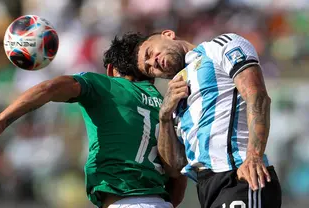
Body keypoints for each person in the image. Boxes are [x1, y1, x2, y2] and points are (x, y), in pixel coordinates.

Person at [0, 34, 187, 208]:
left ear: (111, 69)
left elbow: (49, 88)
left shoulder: (105, 86)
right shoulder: (164, 103)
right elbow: (178, 176)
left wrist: (0, 122)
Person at [115, 31, 282, 208]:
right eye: (149, 69)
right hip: (208, 187)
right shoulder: (175, 98)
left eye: (149, 53)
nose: (153, 62)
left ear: (168, 34)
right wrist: (165, 117)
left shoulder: (219, 46)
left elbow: (257, 95)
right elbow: (174, 168)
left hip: (240, 175)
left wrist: (254, 156)